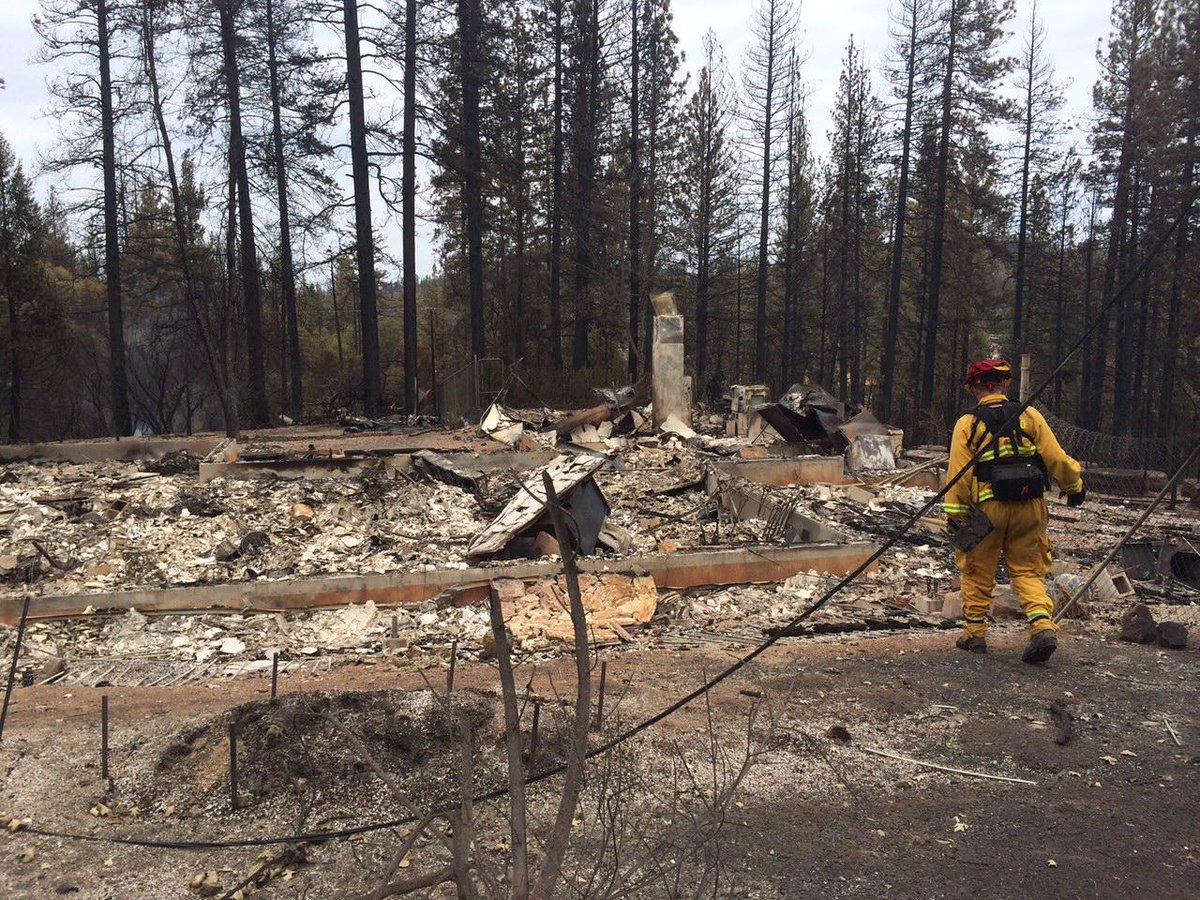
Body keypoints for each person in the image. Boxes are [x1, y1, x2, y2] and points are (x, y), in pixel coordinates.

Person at [943, 359, 1085, 664]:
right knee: (1027, 569)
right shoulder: (1029, 415)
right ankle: (1042, 626)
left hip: (986, 510)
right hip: (1029, 507)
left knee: (977, 568)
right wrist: (1074, 487)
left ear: (972, 388)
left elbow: (958, 475)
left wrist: (955, 516)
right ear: (1004, 384)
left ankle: (974, 634)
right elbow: (1056, 458)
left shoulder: (967, 424)